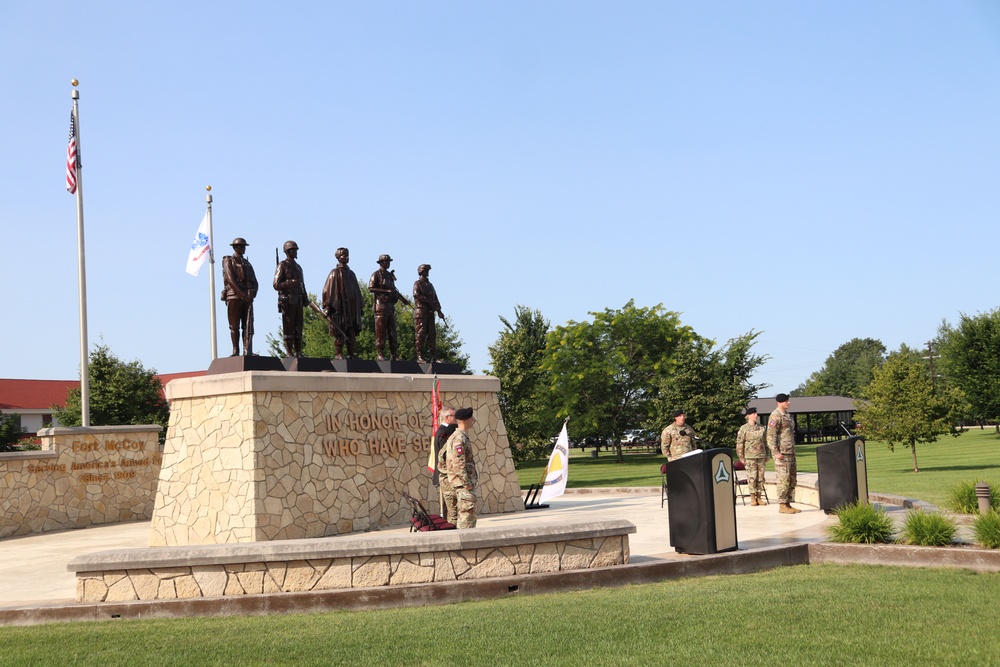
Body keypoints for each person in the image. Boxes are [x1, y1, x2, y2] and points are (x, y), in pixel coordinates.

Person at [321, 247, 364, 359]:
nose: (346, 257)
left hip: (352, 307)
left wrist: (360, 306)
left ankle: (351, 353)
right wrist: (328, 307)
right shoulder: (334, 273)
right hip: (340, 307)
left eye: (347, 255)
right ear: (338, 257)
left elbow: (357, 291)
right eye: (344, 255)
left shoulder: (352, 274)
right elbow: (328, 290)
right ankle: (339, 353)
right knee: (340, 329)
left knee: (351, 330)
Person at [440, 407, 478, 529]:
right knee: (467, 518)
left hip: (457, 484)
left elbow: (442, 458)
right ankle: (467, 544)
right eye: (470, 418)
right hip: (462, 486)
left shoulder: (456, 436)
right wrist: (466, 483)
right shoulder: (459, 438)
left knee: (456, 518)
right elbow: (458, 463)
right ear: (464, 420)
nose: (473, 420)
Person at [368, 254, 410, 361]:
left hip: (390, 307)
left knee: (392, 332)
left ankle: (394, 354)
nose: (388, 263)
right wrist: (386, 291)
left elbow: (394, 290)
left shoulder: (390, 276)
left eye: (389, 262)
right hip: (380, 307)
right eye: (386, 261)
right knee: (381, 332)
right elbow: (371, 288)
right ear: (381, 263)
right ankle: (380, 354)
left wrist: (403, 300)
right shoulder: (376, 274)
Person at [221, 237, 258, 356]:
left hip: (247, 297)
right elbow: (231, 279)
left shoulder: (247, 263)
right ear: (235, 247)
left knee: (248, 325)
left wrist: (252, 292)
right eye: (241, 246)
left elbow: (255, 282)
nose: (243, 248)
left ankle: (248, 351)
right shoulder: (229, 261)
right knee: (234, 325)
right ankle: (235, 350)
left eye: (244, 246)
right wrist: (241, 294)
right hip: (234, 296)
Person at [766, 393, 800, 514]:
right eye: (786, 401)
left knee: (791, 478)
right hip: (782, 453)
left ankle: (788, 503)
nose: (788, 403)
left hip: (790, 451)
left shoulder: (787, 416)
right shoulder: (775, 416)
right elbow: (770, 436)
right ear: (780, 402)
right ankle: (782, 504)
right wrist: (775, 452)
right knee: (783, 479)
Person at [273, 240, 307, 358]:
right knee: (288, 327)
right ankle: (289, 352)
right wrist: (291, 282)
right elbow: (276, 284)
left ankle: (298, 352)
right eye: (293, 250)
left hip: (298, 300)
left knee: (299, 326)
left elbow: (302, 285)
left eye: (296, 250)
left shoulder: (298, 267)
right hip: (288, 300)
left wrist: (305, 298)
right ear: (288, 252)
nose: (296, 252)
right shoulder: (282, 265)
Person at [736, 407, 768, 506]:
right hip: (750, 456)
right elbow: (740, 443)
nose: (756, 415)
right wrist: (741, 457)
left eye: (756, 414)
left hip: (761, 455)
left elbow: (765, 442)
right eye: (754, 414)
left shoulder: (761, 428)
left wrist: (767, 455)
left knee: (761, 477)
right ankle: (753, 497)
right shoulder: (744, 428)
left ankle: (759, 496)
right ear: (748, 416)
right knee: (752, 477)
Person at [413, 264, 445, 364]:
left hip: (430, 312)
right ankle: (419, 356)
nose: (427, 272)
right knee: (421, 334)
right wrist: (428, 301)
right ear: (421, 271)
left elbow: (435, 299)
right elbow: (416, 295)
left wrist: (439, 311)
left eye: (427, 271)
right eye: (425, 270)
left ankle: (434, 356)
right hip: (421, 312)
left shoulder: (430, 285)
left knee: (432, 334)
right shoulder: (418, 283)